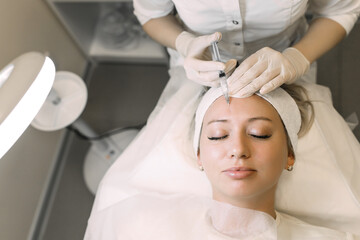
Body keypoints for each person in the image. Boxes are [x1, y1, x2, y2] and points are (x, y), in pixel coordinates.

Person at [84, 85, 357, 239]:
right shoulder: (138, 228)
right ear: (199, 156)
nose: (238, 149)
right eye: (217, 136)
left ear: (290, 154)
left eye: (259, 134)